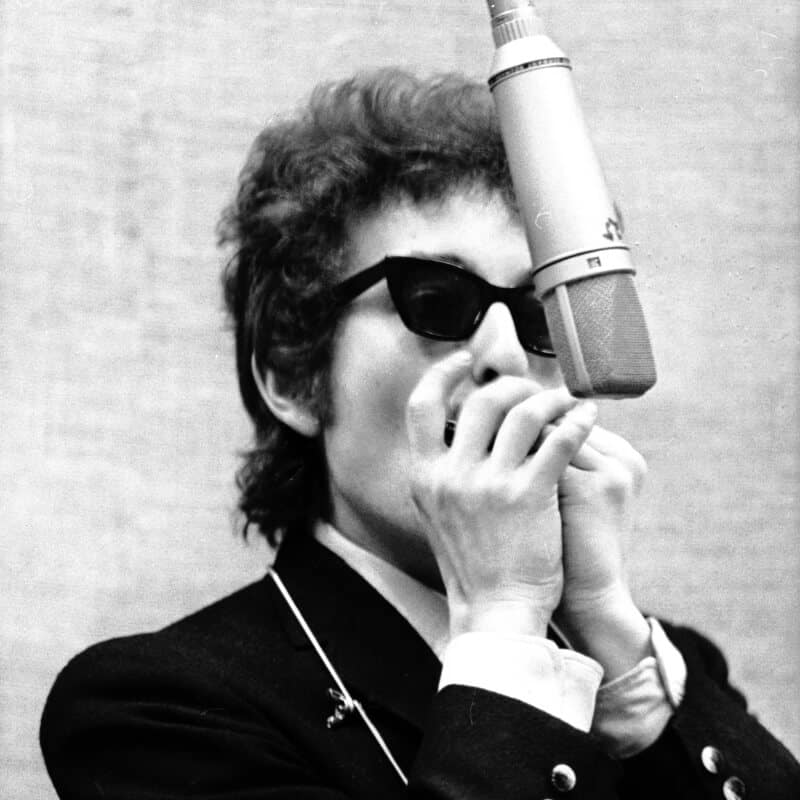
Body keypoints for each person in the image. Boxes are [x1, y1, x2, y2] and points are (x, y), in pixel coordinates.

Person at [40, 69, 799, 799]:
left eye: (540, 313)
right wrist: (504, 618)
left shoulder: (660, 668)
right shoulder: (160, 707)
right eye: (436, 299)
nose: (505, 354)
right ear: (292, 371)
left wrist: (614, 641)